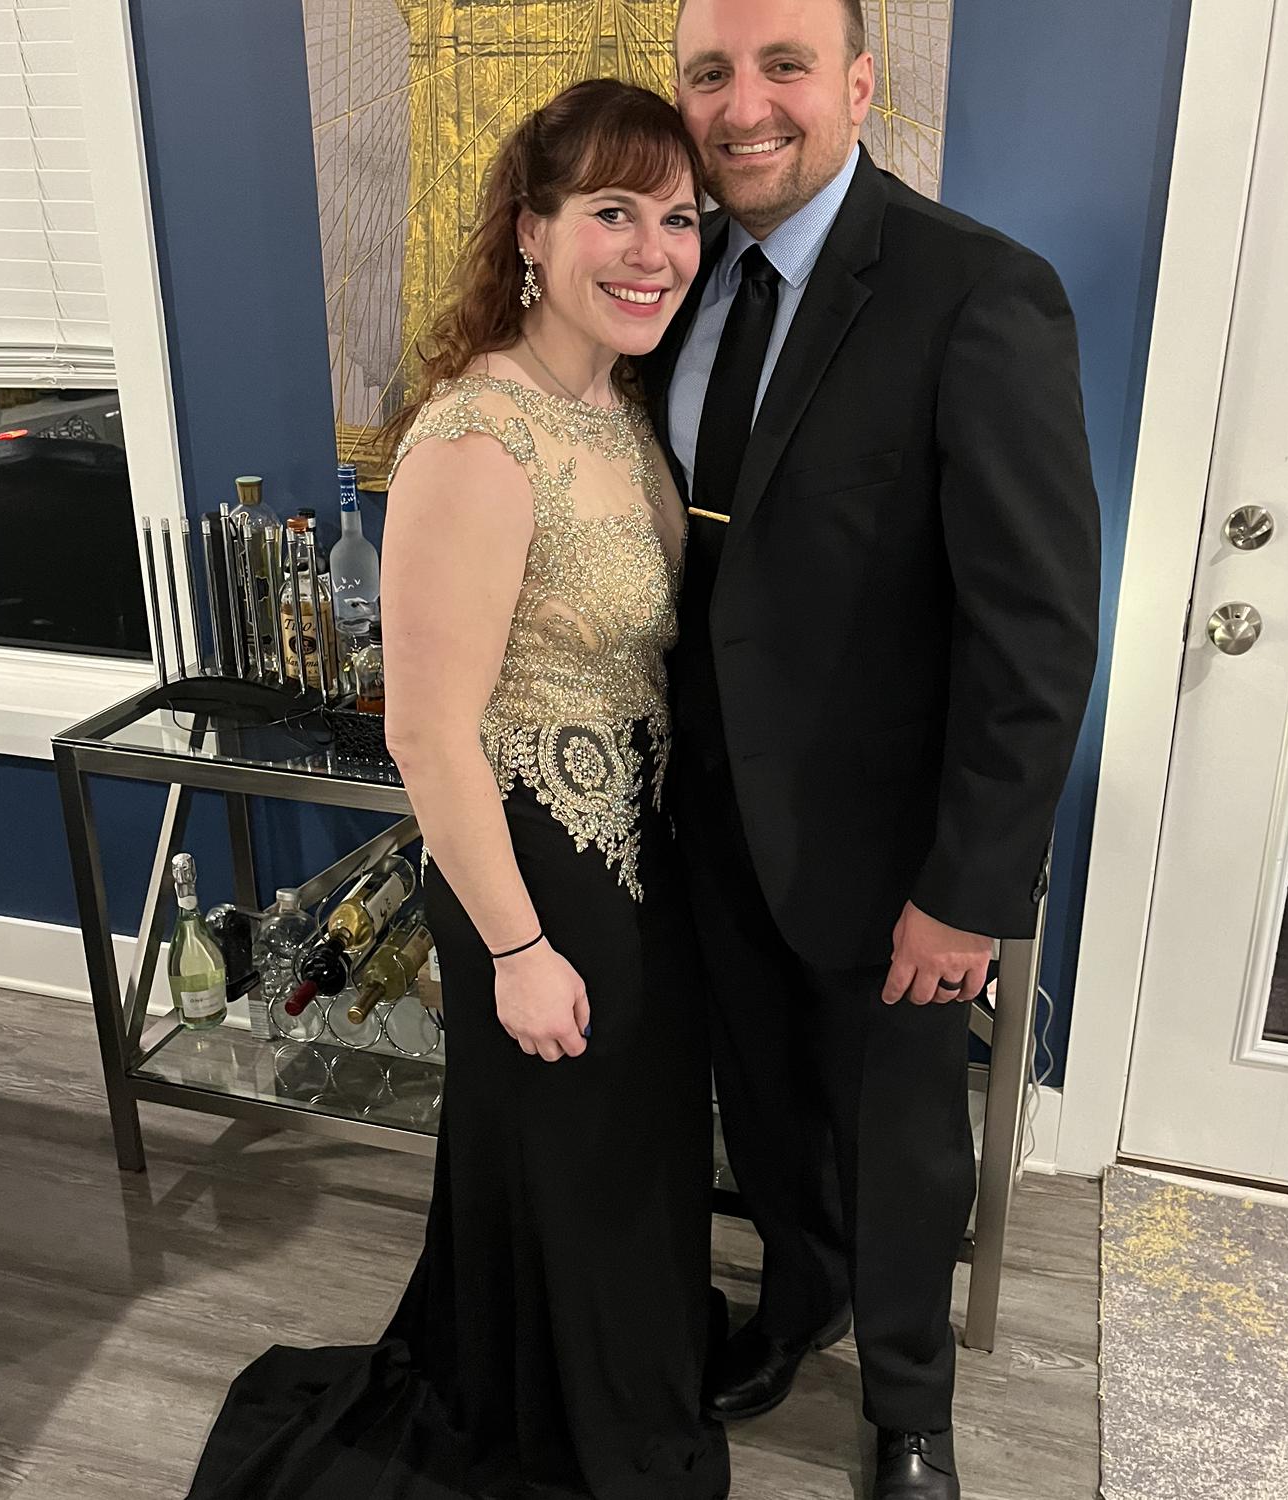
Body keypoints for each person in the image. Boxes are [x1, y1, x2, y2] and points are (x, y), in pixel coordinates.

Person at [183, 79, 729, 1500]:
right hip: (531, 861)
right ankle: (554, 1431)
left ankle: (613, 1386)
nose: (654, 250)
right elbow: (428, 733)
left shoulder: (617, 405)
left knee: (620, 1153)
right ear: (532, 232)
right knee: (564, 1154)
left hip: (638, 839)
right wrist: (519, 951)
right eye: (614, 212)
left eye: (679, 218)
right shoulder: (478, 438)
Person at [641, 2, 1103, 1497]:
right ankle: (800, 1299)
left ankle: (911, 1406)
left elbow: (1036, 632)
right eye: (711, 73)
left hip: (894, 842)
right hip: (705, 807)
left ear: (857, 83)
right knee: (763, 1104)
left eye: (784, 66)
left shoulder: (980, 292)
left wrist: (969, 890)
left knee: (901, 1140)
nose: (744, 105)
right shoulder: (676, 279)